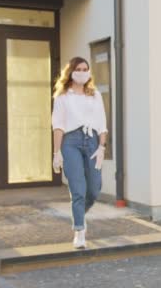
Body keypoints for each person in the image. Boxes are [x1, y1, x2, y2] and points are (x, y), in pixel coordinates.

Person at [51, 57, 108, 249]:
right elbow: (58, 126)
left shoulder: (95, 95)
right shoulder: (62, 97)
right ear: (71, 72)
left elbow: (102, 123)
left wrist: (102, 147)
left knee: (94, 188)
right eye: (79, 69)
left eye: (86, 69)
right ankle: (79, 231)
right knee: (78, 189)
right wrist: (56, 152)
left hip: (92, 141)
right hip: (70, 142)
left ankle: (80, 216)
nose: (83, 72)